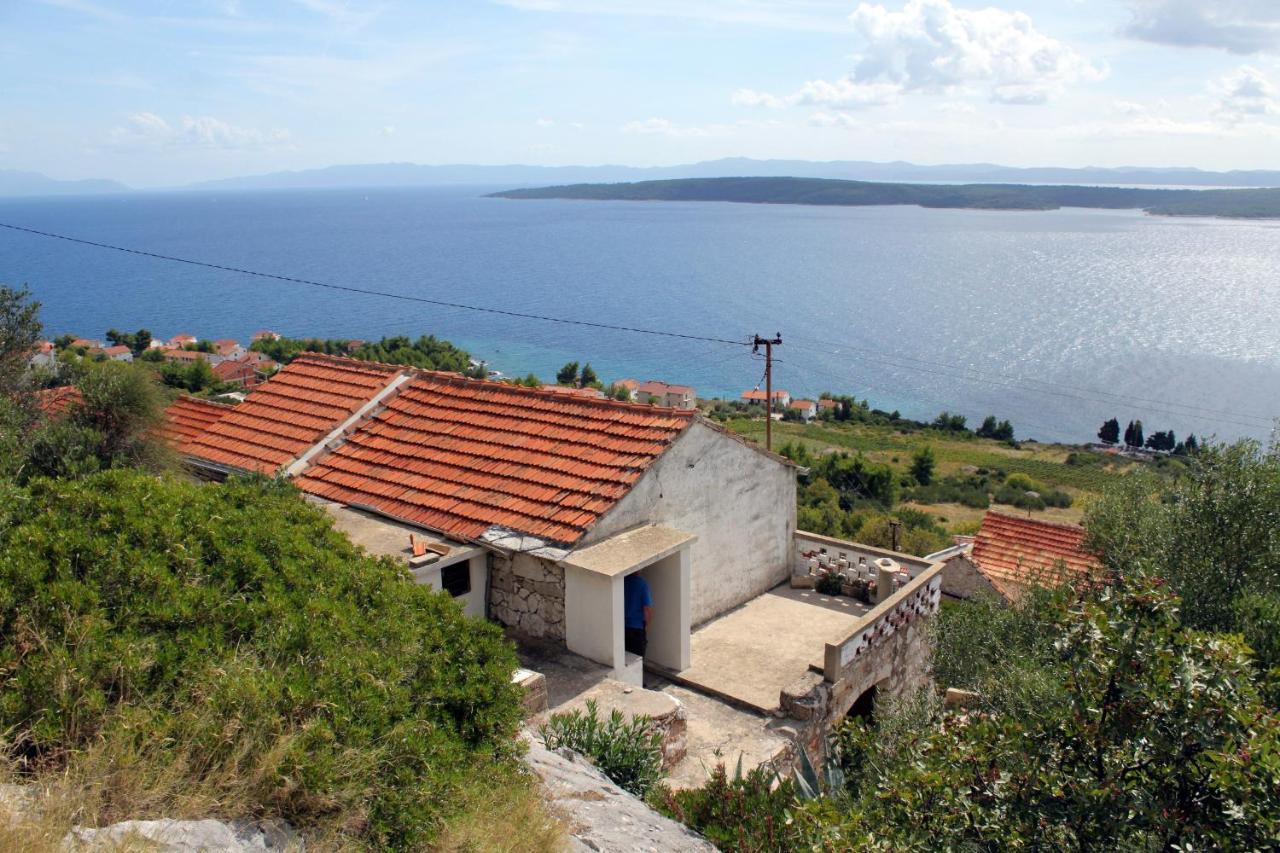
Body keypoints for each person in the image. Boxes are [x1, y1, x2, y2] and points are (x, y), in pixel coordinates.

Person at [623, 572, 652, 657]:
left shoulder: (621, 582)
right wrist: (646, 626)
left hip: (622, 627)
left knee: (626, 658)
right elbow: (647, 608)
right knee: (638, 659)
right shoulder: (642, 584)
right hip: (637, 628)